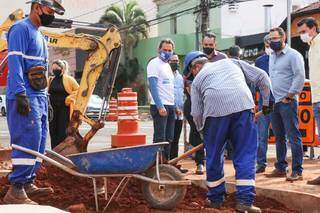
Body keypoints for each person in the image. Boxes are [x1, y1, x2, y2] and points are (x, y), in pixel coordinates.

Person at [185, 51, 271, 212]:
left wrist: (203, 131)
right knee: (245, 154)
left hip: (215, 115)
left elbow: (196, 112)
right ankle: (245, 201)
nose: (192, 76)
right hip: (243, 107)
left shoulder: (197, 81)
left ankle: (216, 199)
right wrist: (267, 103)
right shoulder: (233, 62)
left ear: (196, 67)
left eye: (191, 73)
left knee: (214, 155)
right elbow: (263, 77)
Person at [4, 0, 65, 204]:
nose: (52, 15)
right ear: (37, 7)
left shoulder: (40, 35)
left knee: (38, 143)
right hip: (25, 96)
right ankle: (16, 188)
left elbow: (42, 70)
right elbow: (15, 63)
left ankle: (28, 181)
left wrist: (46, 98)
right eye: (50, 10)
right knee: (26, 142)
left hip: (38, 97)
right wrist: (20, 93)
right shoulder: (20, 29)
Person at [183, 33, 227, 175]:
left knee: (216, 130)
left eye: (210, 45)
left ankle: (215, 162)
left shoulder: (222, 59)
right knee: (197, 130)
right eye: (205, 45)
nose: (207, 47)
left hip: (216, 101)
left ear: (215, 45)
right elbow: (187, 80)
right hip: (195, 100)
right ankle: (199, 163)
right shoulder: (194, 58)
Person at [266, 27, 305, 181]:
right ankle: (281, 167)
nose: (272, 42)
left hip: (287, 102)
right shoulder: (271, 56)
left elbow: (300, 76)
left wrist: (289, 96)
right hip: (274, 102)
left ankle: (297, 171)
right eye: (270, 39)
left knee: (293, 136)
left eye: (275, 38)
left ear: (283, 38)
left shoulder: (293, 55)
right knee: (278, 137)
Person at [297, 17, 320, 185]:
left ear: (313, 28)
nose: (301, 36)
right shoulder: (312, 47)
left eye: (303, 32)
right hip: (316, 98)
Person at [147, 39, 175, 160]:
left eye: (169, 50)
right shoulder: (154, 63)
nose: (167, 52)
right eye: (165, 50)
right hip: (160, 106)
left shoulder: (167, 65)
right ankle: (156, 165)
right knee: (160, 138)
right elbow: (153, 86)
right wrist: (159, 106)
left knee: (169, 138)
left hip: (170, 105)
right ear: (159, 49)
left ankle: (165, 163)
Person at [48, 59, 79, 149]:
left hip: (64, 109)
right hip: (53, 109)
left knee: (63, 131)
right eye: (53, 69)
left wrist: (68, 99)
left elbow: (78, 90)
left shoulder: (69, 79)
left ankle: (64, 150)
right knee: (53, 130)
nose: (54, 71)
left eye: (56, 69)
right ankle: (54, 150)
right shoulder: (50, 80)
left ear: (62, 69)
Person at [255, 35, 273, 173]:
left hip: (280, 101)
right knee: (262, 135)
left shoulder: (283, 58)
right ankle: (261, 164)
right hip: (264, 103)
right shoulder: (260, 61)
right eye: (267, 46)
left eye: (271, 45)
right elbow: (255, 82)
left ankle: (281, 165)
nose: (269, 48)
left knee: (282, 135)